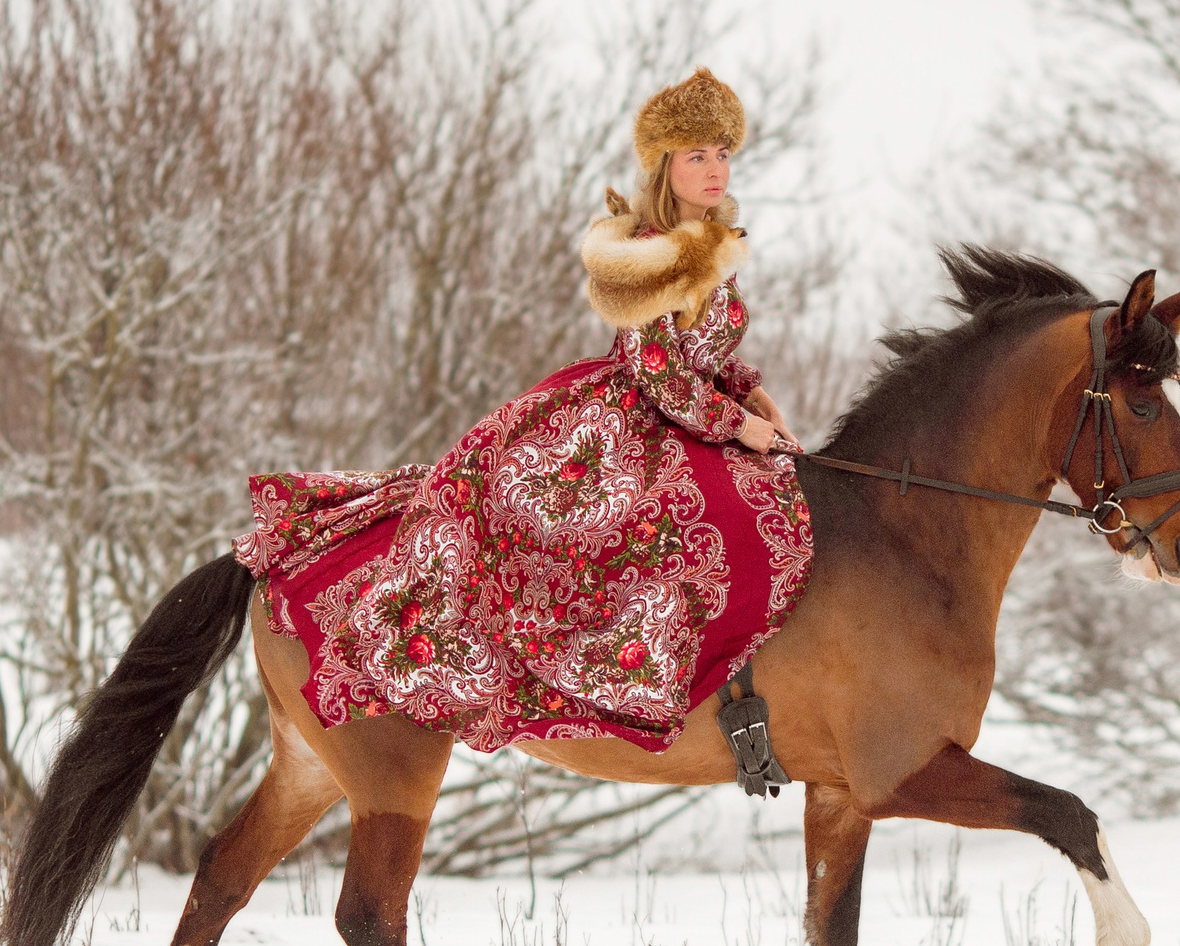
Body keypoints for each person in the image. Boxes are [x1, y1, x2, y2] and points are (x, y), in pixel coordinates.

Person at [234, 68, 814, 752]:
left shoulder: (714, 243)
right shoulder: (642, 253)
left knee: (775, 504)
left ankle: (739, 692)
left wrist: (751, 391)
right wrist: (737, 424)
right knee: (689, 529)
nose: (716, 168)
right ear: (666, 164)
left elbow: (705, 354)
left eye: (723, 152)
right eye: (698, 154)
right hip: (636, 418)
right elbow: (658, 371)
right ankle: (654, 689)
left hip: (694, 412)